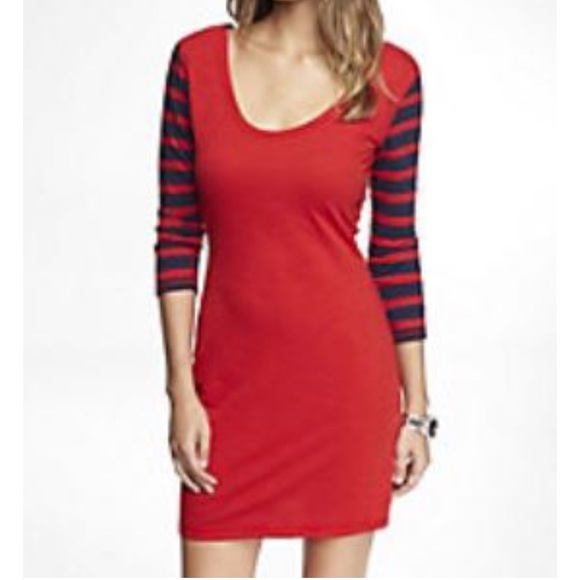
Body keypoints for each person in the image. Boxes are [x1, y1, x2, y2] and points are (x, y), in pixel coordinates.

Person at [154, 1, 437, 576]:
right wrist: (181, 389)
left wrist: (416, 411)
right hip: (229, 390)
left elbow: (394, 252)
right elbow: (178, 233)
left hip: (345, 391)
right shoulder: (198, 62)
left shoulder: (389, 77)